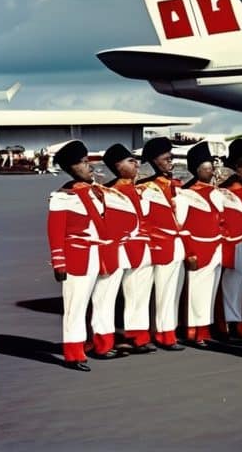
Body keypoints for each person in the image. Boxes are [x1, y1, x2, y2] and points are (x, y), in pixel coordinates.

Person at [47, 140, 123, 371]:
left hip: (105, 253)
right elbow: (55, 232)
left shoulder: (99, 192)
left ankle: (103, 344)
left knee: (105, 302)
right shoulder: (63, 196)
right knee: (75, 306)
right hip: (78, 255)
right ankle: (74, 353)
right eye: (82, 163)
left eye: (87, 161)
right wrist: (59, 262)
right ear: (71, 168)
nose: (89, 166)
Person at [103, 144, 156, 354]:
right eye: (130, 161)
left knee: (141, 295)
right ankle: (120, 336)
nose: (137, 164)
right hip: (124, 249)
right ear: (117, 166)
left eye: (136, 160)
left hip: (144, 248)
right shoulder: (111, 192)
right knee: (121, 296)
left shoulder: (141, 189)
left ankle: (139, 336)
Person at [137, 137, 186, 351]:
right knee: (152, 293)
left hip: (176, 246)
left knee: (171, 293)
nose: (170, 159)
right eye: (166, 156)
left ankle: (168, 332)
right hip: (157, 246)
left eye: (171, 155)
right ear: (154, 160)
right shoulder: (145, 187)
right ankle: (154, 334)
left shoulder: (173, 184)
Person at [176, 141, 225, 347]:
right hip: (198, 248)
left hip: (216, 248)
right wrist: (190, 252)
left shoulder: (216, 192)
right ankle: (193, 331)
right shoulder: (185, 194)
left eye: (211, 167)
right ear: (197, 170)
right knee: (197, 292)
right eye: (206, 167)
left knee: (210, 292)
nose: (211, 171)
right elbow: (181, 225)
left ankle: (205, 329)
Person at [216, 138, 242, 340]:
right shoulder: (237, 192)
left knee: (235, 284)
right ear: (240, 166)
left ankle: (232, 321)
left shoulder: (224, 188)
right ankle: (232, 322)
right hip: (236, 241)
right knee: (234, 283)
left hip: (236, 240)